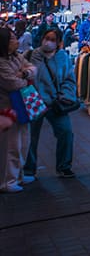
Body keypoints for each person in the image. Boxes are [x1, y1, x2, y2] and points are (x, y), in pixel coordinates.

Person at [25, 27, 78, 179]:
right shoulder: (31, 55)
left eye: (53, 40)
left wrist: (65, 95)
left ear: (59, 43)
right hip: (33, 100)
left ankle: (64, 166)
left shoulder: (63, 57)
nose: (48, 42)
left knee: (66, 132)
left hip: (55, 102)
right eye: (46, 38)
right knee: (30, 136)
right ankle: (29, 168)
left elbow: (69, 79)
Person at [0, 25, 36, 193]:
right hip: (7, 110)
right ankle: (8, 181)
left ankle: (19, 175)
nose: (16, 41)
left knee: (23, 142)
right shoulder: (1, 62)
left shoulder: (17, 57)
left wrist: (24, 74)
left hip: (23, 105)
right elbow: (12, 84)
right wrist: (26, 80)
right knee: (10, 146)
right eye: (13, 39)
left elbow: (32, 69)